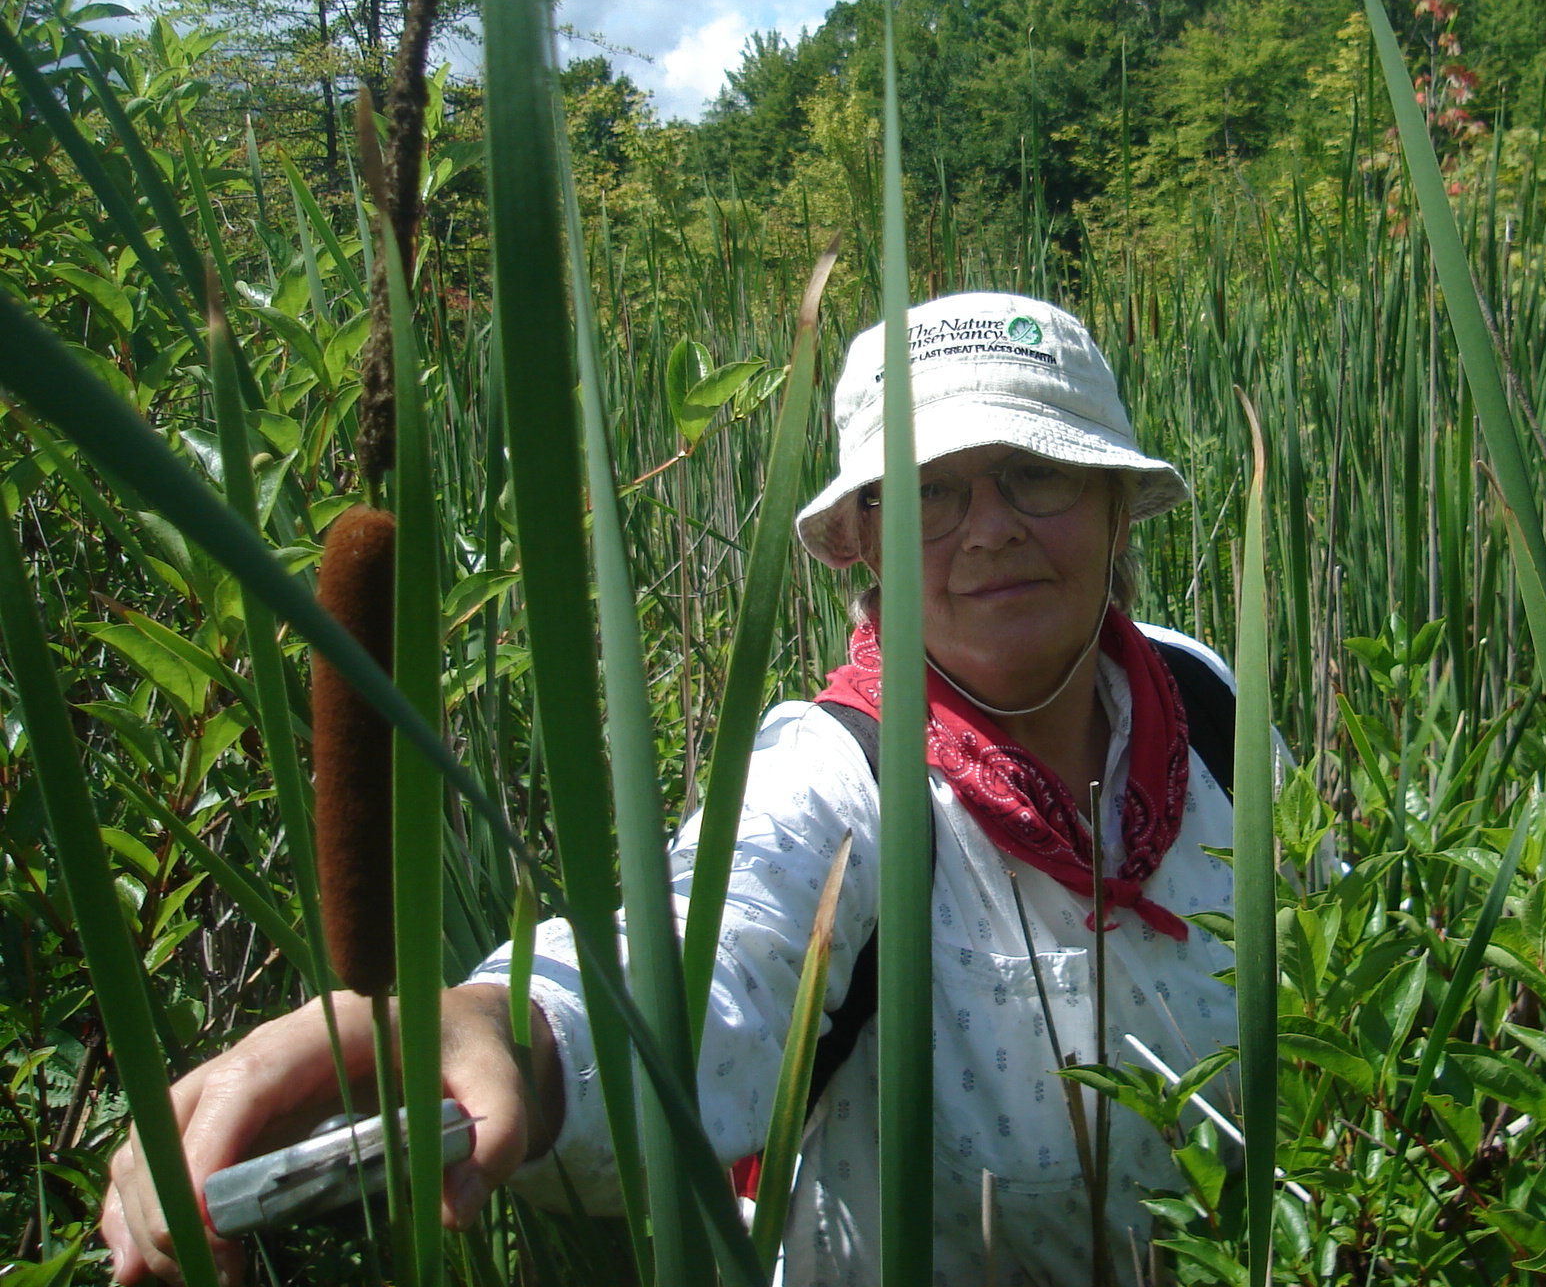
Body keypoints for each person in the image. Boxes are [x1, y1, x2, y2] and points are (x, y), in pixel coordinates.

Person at [101, 292, 1245, 1287]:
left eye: (1031, 473)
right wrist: (495, 1027)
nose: (987, 529)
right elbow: (703, 954)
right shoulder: (836, 782)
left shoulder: (1196, 697)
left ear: (1112, 499)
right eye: (927, 492)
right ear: (861, 538)